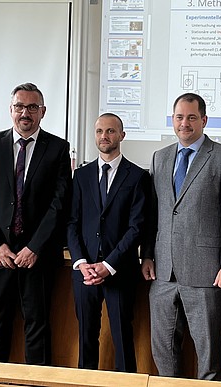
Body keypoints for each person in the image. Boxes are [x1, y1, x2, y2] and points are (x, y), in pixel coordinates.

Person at [141, 92, 221, 380]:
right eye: (179, 117)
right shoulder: (160, 157)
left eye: (191, 117)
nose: (184, 123)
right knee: (163, 352)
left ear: (204, 120)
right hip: (164, 273)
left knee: (208, 356)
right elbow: (156, 213)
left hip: (208, 273)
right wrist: (148, 254)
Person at [0, 82, 71, 365]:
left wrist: (35, 246)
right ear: (11, 110)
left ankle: (36, 384)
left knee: (37, 324)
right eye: (20, 107)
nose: (25, 113)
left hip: (37, 255)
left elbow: (59, 204)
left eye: (32, 107)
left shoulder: (58, 148)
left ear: (43, 111)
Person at [67, 113, 150, 372]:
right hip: (85, 273)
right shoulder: (80, 176)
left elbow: (137, 227)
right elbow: (72, 222)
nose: (105, 136)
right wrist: (82, 263)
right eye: (100, 131)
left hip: (120, 271)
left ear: (121, 136)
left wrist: (109, 264)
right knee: (86, 337)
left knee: (123, 337)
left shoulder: (138, 176)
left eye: (111, 131)